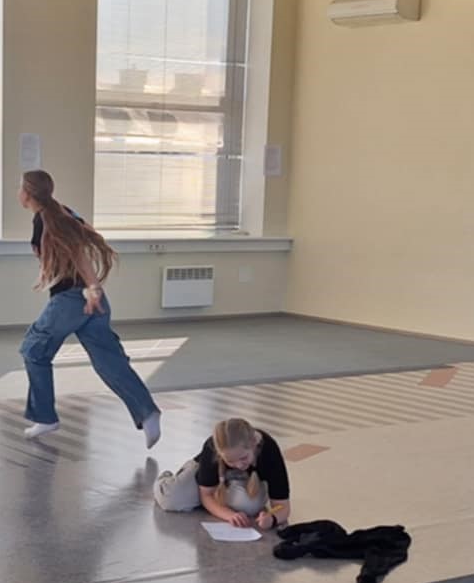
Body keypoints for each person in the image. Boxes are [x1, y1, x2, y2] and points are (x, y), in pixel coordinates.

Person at [18, 170, 162, 447]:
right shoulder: (62, 212)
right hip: (87, 298)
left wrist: (92, 287)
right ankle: (147, 412)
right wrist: (93, 290)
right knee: (108, 359)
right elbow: (82, 242)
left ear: (27, 193)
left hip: (73, 299)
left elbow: (78, 253)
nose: (18, 193)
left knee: (33, 350)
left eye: (19, 188)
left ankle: (45, 417)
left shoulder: (45, 219)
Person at [155, 417, 293, 530]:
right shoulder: (211, 447)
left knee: (249, 506)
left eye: (244, 458)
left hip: (246, 480)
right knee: (171, 498)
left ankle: (209, 499)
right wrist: (229, 515)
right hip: (209, 474)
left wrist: (272, 519)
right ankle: (166, 479)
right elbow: (206, 495)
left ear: (254, 444)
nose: (239, 465)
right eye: (230, 461)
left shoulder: (269, 450)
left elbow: (283, 506)